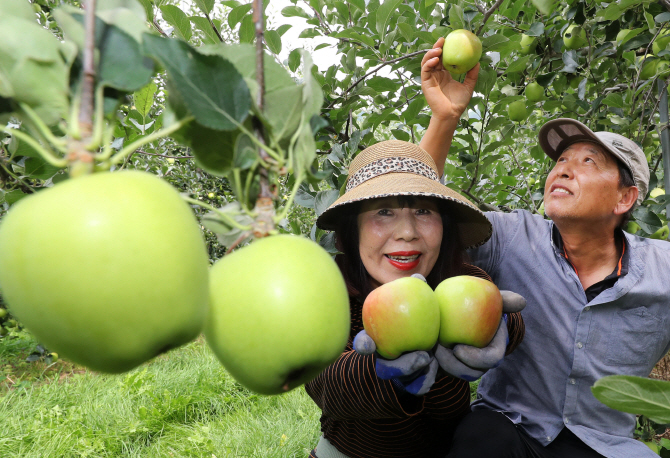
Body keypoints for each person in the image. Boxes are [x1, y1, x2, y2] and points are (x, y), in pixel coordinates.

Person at [419, 37, 670, 458]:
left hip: (605, 445)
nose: (564, 169)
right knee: (479, 439)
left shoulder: (662, 269)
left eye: (588, 161)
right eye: (560, 160)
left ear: (625, 199)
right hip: (509, 426)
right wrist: (445, 118)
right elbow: (424, 214)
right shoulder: (513, 236)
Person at [304, 139, 526, 458]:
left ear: (444, 225)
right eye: (384, 211)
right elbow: (322, 381)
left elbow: (496, 308)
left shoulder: (458, 278)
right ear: (353, 230)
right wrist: (380, 371)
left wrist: (501, 323)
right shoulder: (332, 292)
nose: (407, 231)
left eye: (423, 210)